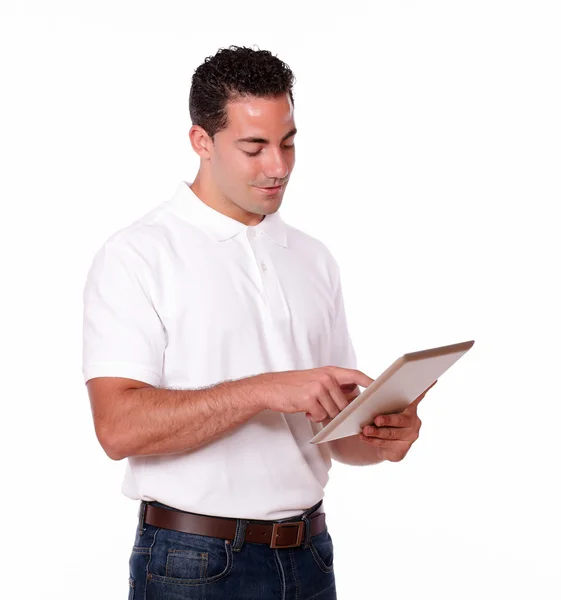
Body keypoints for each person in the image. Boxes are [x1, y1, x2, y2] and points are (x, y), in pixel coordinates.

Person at [82, 45, 431, 600]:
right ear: (201, 141)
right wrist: (268, 389)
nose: (279, 166)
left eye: (288, 142)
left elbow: (335, 437)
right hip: (192, 564)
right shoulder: (138, 255)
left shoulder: (312, 257)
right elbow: (118, 428)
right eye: (254, 147)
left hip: (311, 554)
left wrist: (382, 438)